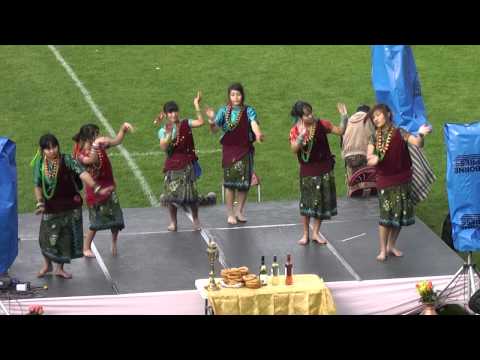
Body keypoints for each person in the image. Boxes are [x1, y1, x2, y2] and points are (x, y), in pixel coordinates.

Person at [32, 134, 112, 279]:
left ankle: (59, 269)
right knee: (45, 237)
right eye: (48, 149)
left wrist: (96, 188)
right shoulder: (40, 164)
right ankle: (47, 265)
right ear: (42, 150)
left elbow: (83, 173)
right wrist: (40, 202)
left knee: (65, 237)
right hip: (51, 205)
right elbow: (37, 184)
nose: (52, 151)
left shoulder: (67, 160)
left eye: (54, 147)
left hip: (70, 204)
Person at [366, 104, 432, 261]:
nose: (376, 119)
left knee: (400, 215)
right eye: (373, 117)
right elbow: (369, 154)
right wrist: (372, 159)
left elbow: (417, 143)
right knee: (386, 216)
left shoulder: (400, 132)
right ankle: (382, 249)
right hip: (384, 180)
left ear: (388, 114)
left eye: (378, 115)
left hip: (403, 179)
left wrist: (421, 134)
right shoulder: (374, 137)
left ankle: (391, 245)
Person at [205, 83, 264, 225]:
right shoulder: (224, 111)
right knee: (230, 183)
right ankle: (230, 213)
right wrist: (212, 121)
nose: (235, 97)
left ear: (242, 95)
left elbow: (254, 123)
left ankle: (239, 211)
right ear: (229, 96)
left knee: (244, 183)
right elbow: (214, 130)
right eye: (232, 95)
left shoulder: (249, 110)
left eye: (238, 94)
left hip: (245, 149)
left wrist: (258, 134)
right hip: (230, 150)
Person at [289, 101, 346, 245]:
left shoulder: (322, 124)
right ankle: (305, 234)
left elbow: (340, 131)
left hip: (324, 167)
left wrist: (344, 117)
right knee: (307, 202)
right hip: (307, 170)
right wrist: (301, 136)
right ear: (300, 117)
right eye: (307, 115)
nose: (311, 116)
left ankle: (315, 232)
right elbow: (294, 149)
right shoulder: (295, 130)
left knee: (321, 202)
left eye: (311, 113)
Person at [72, 122, 132, 258]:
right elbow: (90, 160)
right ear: (89, 138)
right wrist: (95, 146)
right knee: (96, 222)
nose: (99, 136)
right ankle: (86, 247)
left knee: (117, 218)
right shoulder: (80, 154)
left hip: (109, 186)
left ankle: (114, 242)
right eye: (96, 134)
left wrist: (123, 129)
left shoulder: (100, 145)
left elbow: (116, 141)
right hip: (95, 190)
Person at [156, 91, 204, 231]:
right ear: (166, 115)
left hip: (187, 165)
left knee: (192, 195)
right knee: (171, 196)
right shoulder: (163, 130)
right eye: (170, 113)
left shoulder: (186, 123)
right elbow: (164, 146)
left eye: (175, 111)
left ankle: (195, 220)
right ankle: (173, 222)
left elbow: (201, 122)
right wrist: (170, 132)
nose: (173, 114)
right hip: (173, 166)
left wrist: (196, 104)